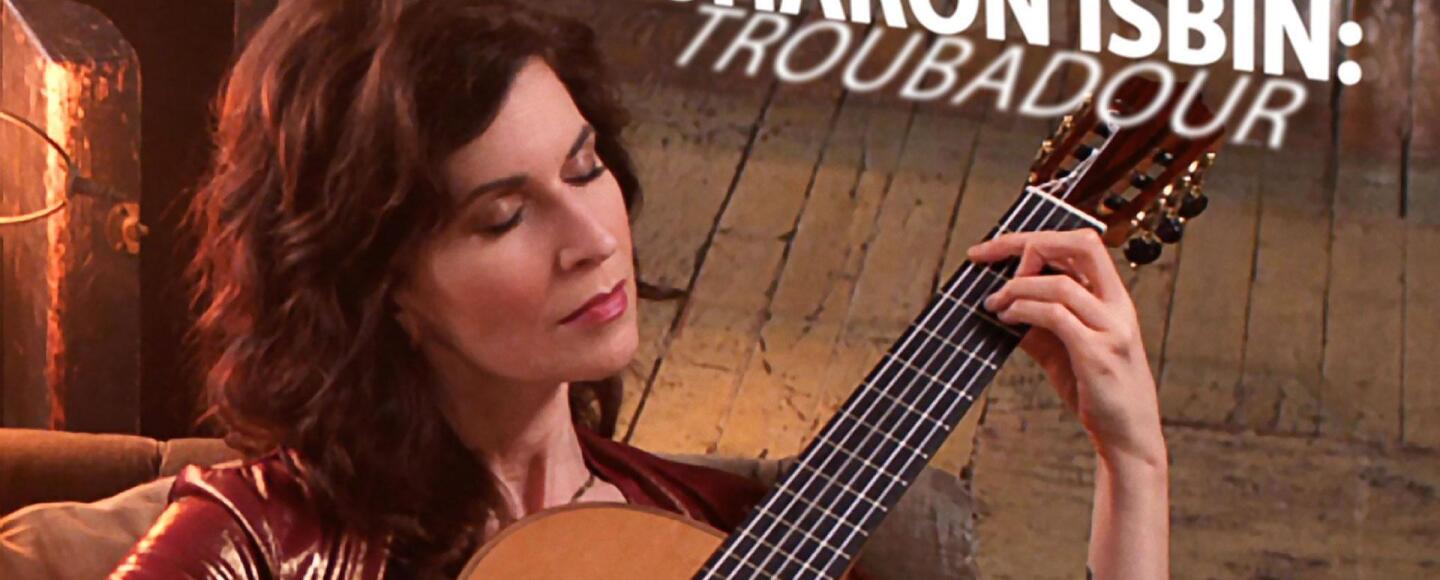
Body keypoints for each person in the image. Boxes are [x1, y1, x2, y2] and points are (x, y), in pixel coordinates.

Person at [111, 0, 1169, 578]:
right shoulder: (249, 540)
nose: (591, 240)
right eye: (504, 215)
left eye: (584, 169)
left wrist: (1135, 466)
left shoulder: (718, 529)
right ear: (377, 282)